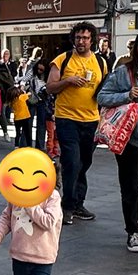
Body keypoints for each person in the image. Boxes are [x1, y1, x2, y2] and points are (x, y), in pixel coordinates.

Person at [97, 30, 138, 253]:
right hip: (129, 136)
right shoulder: (124, 72)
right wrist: (126, 95)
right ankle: (132, 232)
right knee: (130, 186)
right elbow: (102, 96)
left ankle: (136, 219)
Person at [47, 22, 107, 226]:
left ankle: (78, 203)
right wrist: (68, 81)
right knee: (71, 162)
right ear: (73, 39)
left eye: (86, 38)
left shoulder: (101, 62)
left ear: (92, 40)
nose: (82, 41)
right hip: (67, 119)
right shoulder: (62, 60)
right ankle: (68, 206)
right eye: (78, 37)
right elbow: (50, 87)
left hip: (91, 120)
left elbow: (105, 89)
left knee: (83, 164)